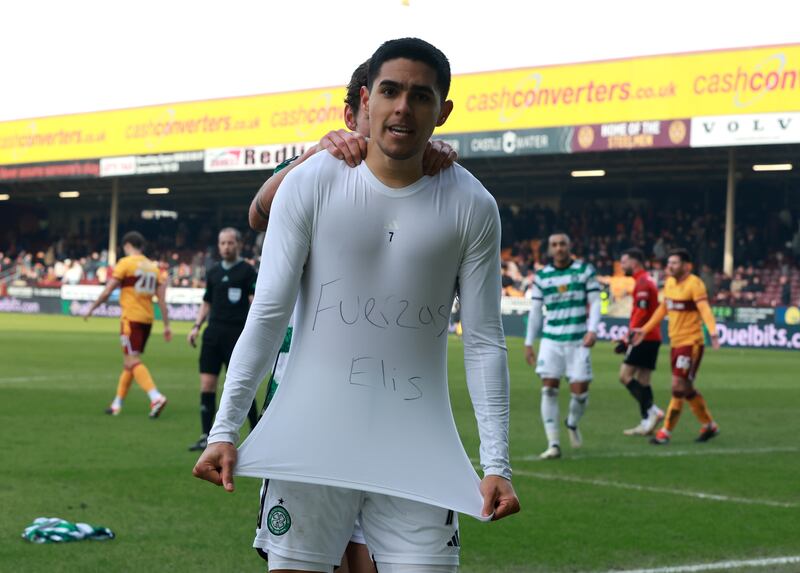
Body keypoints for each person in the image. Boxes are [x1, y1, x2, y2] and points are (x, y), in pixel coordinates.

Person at [194, 37, 519, 573]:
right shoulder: (312, 181)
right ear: (366, 99)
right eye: (390, 91)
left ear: (443, 110)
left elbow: (483, 339)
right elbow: (269, 313)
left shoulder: (472, 204)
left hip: (419, 448)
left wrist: (497, 462)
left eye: (421, 96)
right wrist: (225, 429)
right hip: (309, 443)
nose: (403, 108)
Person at [248, 59, 457, 573]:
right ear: (355, 111)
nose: (395, 117)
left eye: (415, 101)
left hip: (394, 411)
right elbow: (257, 211)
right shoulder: (316, 176)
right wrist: (311, 155)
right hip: (310, 403)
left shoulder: (434, 184)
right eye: (380, 102)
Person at [632, 248, 721, 445]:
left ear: (687, 266)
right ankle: (709, 426)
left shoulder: (695, 284)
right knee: (687, 388)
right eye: (669, 263)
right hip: (675, 342)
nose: (669, 266)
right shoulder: (670, 283)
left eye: (674, 263)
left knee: (677, 386)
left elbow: (705, 309)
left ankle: (665, 433)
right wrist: (645, 329)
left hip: (691, 343)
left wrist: (712, 331)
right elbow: (663, 308)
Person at [524, 232, 601, 460]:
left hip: (578, 341)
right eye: (554, 245)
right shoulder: (542, 276)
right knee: (548, 389)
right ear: (549, 249)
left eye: (563, 244)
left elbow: (595, 302)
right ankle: (554, 444)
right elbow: (536, 312)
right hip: (551, 340)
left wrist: (593, 329)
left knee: (579, 393)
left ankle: (572, 422)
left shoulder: (584, 271)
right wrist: (529, 342)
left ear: (569, 246)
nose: (559, 248)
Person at [83, 231, 170, 418]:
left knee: (133, 361)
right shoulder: (153, 268)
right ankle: (117, 404)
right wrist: (166, 325)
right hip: (147, 319)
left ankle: (156, 397)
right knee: (128, 363)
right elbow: (162, 300)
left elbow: (108, 290)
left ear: (127, 245)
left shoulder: (126, 264)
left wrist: (92, 307)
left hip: (130, 319)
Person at [187, 228, 259, 452]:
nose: (226, 247)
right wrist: (196, 327)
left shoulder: (247, 271)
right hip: (213, 335)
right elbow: (207, 302)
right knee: (207, 385)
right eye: (222, 243)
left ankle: (256, 432)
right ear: (218, 246)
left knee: (240, 386)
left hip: (237, 336)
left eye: (230, 243)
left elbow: (254, 303)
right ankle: (205, 435)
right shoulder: (214, 272)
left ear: (238, 244)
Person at [616, 248, 664, 436]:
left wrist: (629, 337)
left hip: (643, 337)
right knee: (643, 381)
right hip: (652, 337)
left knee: (625, 376)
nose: (622, 266)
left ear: (634, 263)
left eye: (624, 262)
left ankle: (652, 411)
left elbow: (642, 313)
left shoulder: (643, 282)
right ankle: (646, 422)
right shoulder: (645, 281)